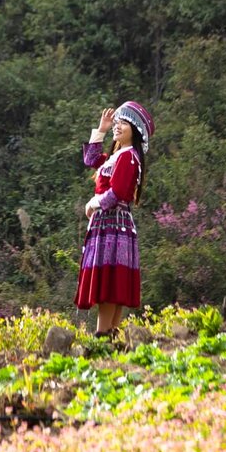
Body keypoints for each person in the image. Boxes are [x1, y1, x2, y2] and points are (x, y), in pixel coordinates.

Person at [74, 100, 155, 337]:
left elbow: (118, 192)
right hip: (110, 223)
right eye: (117, 122)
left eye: (124, 123)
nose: (118, 126)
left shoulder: (129, 158)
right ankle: (109, 334)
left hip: (113, 223)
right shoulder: (117, 156)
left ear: (136, 132)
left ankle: (103, 335)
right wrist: (101, 128)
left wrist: (94, 203)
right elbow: (91, 160)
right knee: (111, 279)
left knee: (109, 282)